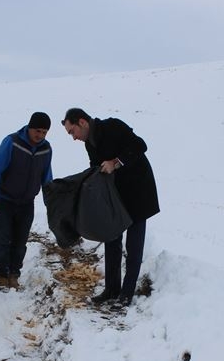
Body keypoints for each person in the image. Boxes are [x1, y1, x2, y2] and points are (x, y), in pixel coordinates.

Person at [61, 108, 160, 306]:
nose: (73, 138)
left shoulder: (112, 126)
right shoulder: (89, 143)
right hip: (116, 197)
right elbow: (96, 168)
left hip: (139, 192)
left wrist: (116, 162)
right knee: (111, 238)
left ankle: (126, 293)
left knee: (134, 245)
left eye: (72, 132)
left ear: (82, 122)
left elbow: (140, 146)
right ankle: (111, 289)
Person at [0, 111, 53, 289]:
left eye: (44, 132)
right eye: (37, 131)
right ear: (29, 128)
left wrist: (51, 202)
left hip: (26, 203)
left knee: (20, 240)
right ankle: (0, 273)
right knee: (2, 238)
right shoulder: (13, 142)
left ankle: (14, 273)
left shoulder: (46, 149)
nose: (40, 135)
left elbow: (47, 178)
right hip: (4, 200)